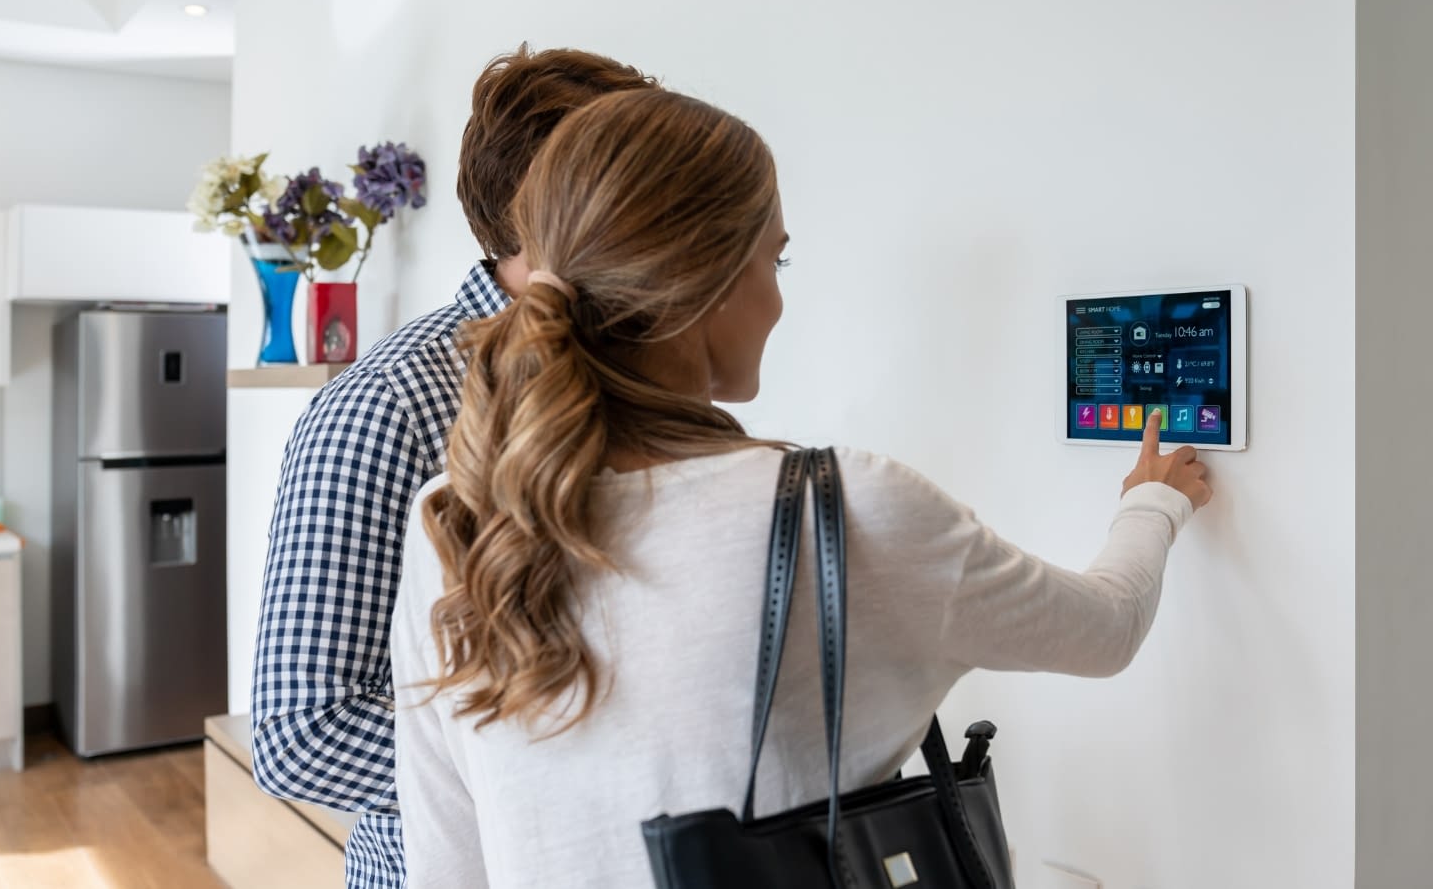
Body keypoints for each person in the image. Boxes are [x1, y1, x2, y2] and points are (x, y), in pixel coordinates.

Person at [389, 88, 1213, 888]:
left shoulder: (456, 520)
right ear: (713, 279)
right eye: (774, 258)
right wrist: (1154, 501)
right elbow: (1106, 629)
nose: (778, 296)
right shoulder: (842, 510)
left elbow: (446, 863)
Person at [249, 46, 660, 889]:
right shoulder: (389, 405)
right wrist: (575, 775)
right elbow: (301, 735)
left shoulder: (637, 377)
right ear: (555, 204)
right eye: (642, 183)